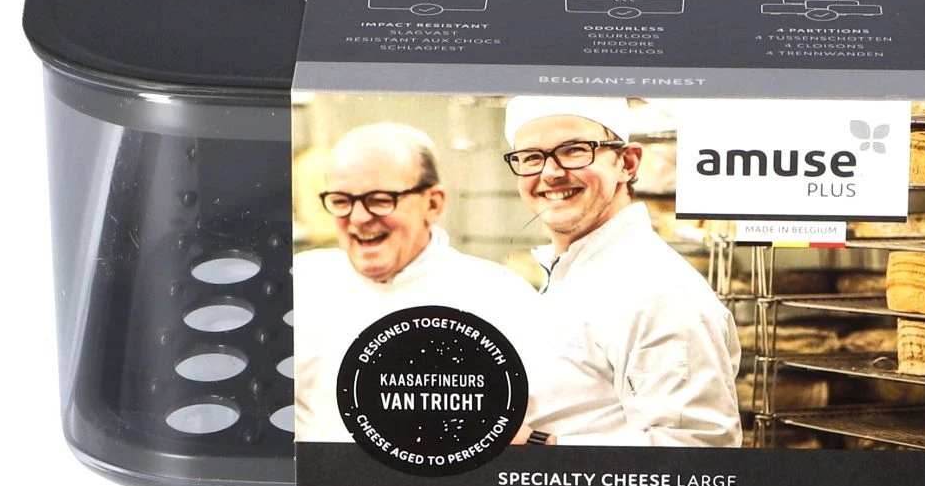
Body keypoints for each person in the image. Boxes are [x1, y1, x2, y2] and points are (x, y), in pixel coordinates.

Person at [503, 96, 742, 447]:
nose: (550, 173)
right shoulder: (569, 273)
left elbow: (696, 449)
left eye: (574, 150)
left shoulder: (661, 292)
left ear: (627, 163)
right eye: (531, 158)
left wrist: (537, 445)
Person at [293, 121, 543, 441]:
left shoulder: (500, 296)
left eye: (380, 199)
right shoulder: (301, 283)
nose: (358, 218)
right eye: (341, 201)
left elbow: (536, 429)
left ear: (434, 203)